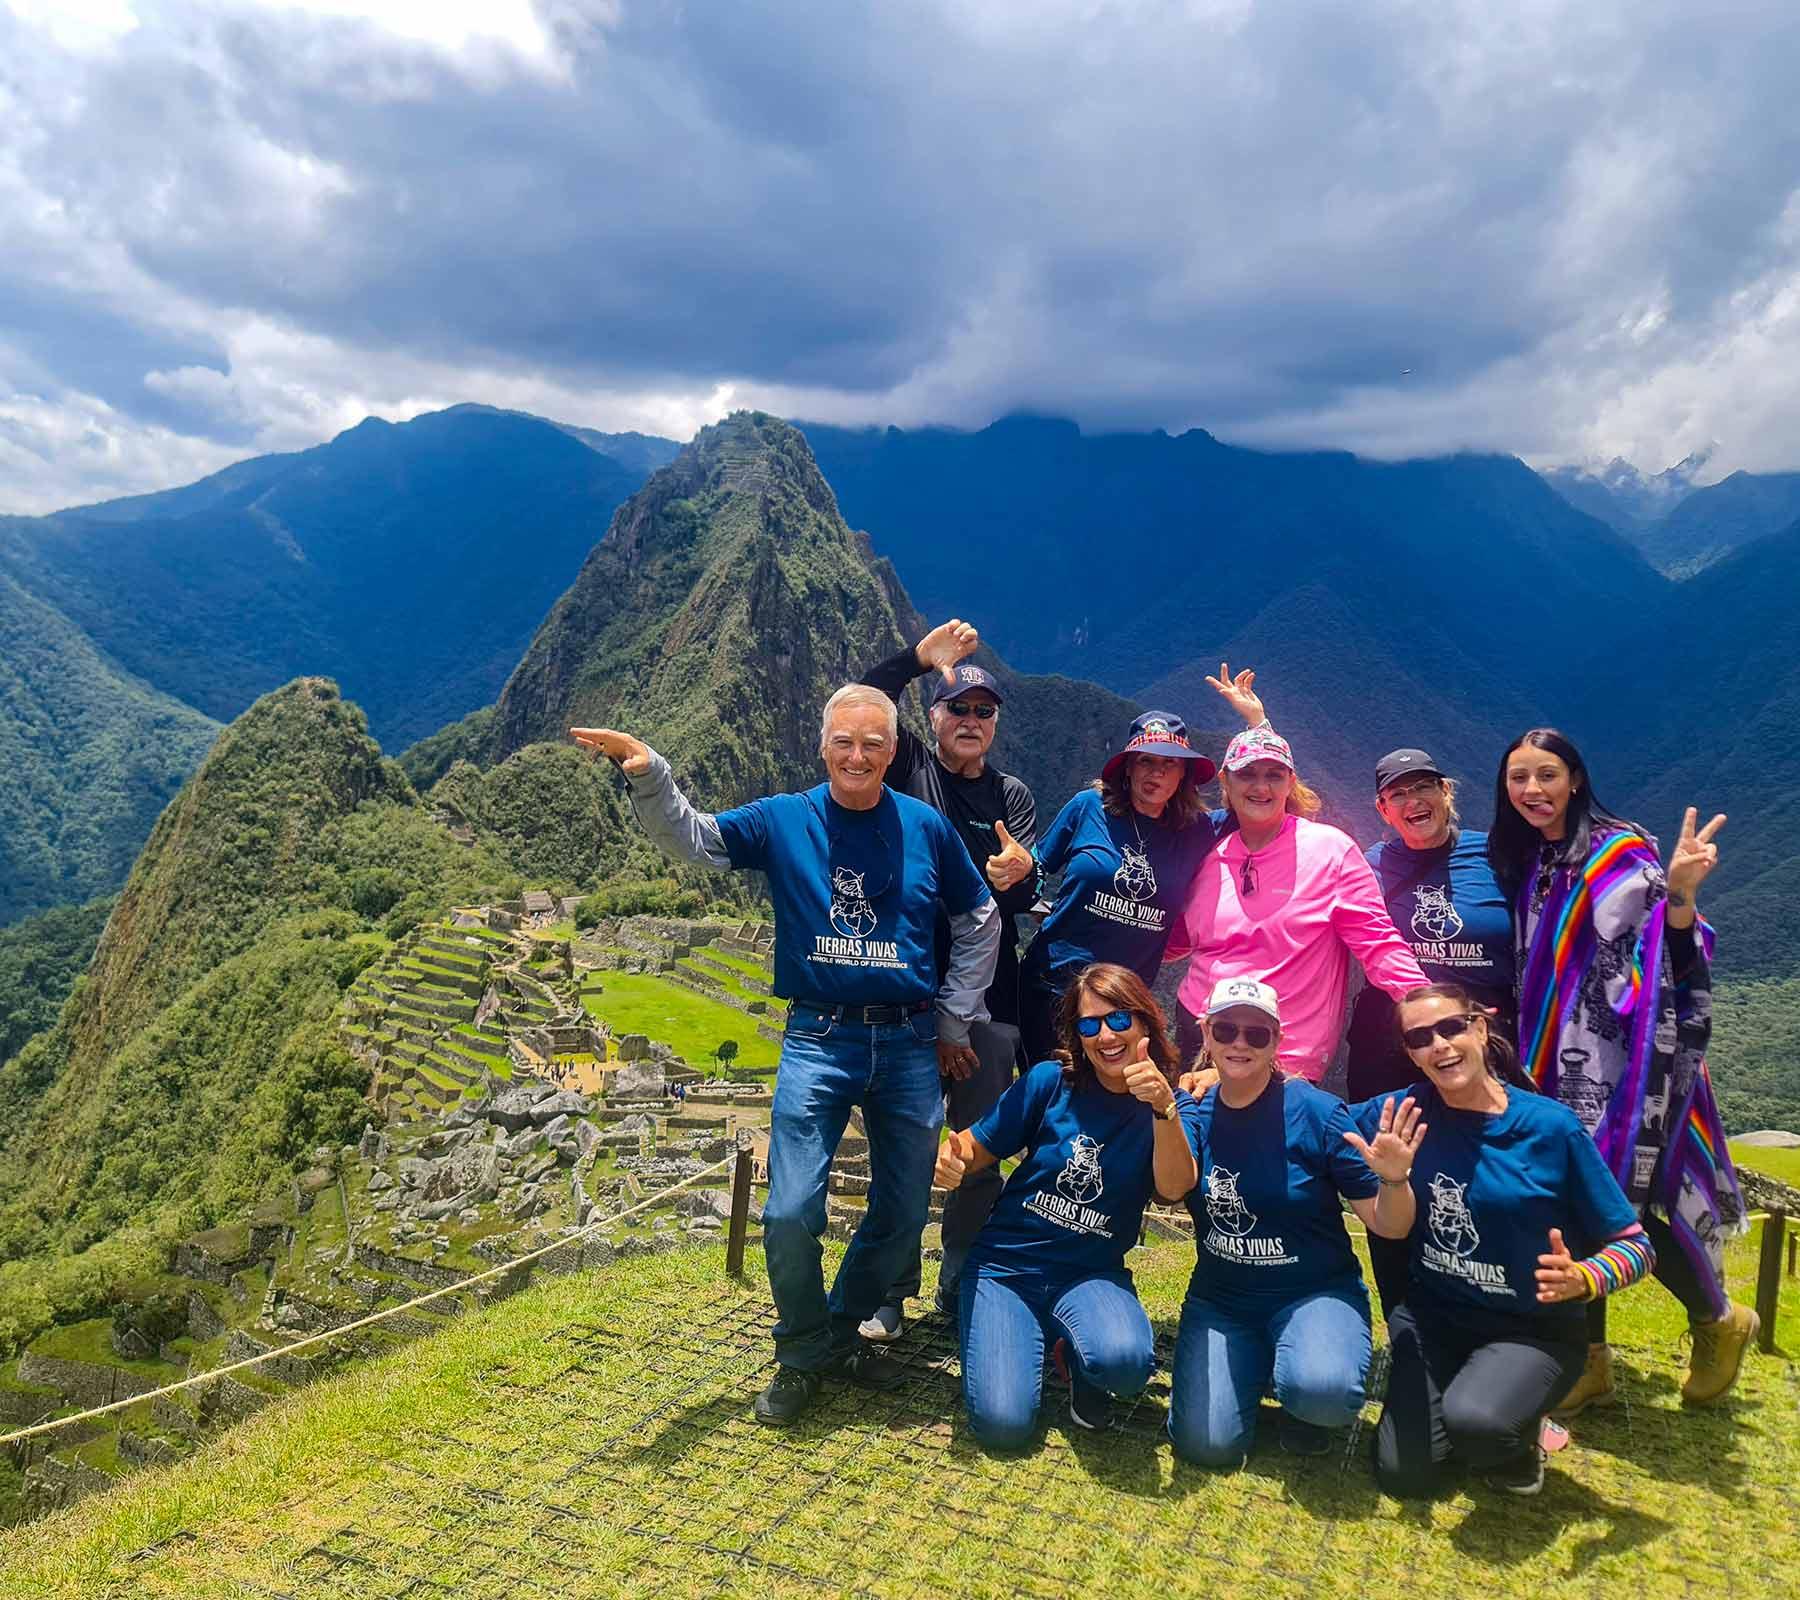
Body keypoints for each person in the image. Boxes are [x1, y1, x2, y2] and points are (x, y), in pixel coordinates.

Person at [570, 686, 1000, 1426]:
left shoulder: (925, 827)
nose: (857, 756)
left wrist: (955, 1018)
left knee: (900, 1214)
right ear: (823, 745)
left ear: (893, 752)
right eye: (844, 742)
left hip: (905, 1040)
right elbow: (697, 841)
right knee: (791, 1211)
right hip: (819, 1038)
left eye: (873, 743)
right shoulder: (783, 819)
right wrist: (650, 775)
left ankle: (831, 1335)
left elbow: (980, 917)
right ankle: (804, 1348)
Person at [1488, 728, 1752, 1414]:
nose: (1532, 790)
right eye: (1518, 778)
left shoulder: (1620, 851)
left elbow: (1664, 945)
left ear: (1575, 778)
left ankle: (1718, 1318)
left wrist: (1684, 894)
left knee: (1630, 1202)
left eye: (1546, 775)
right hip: (1549, 1060)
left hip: (1628, 1070)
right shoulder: (1536, 857)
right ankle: (1590, 1358)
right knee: (1565, 1200)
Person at [1362, 984, 1658, 1497]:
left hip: (1530, 1330)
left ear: (1479, 1028)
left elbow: (1637, 1247)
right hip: (1435, 1322)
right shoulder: (1405, 1113)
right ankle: (1473, 1404)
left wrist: (1587, 1277)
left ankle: (1518, 1435)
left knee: (1479, 1425)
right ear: (1410, 1054)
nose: (1439, 1045)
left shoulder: (1550, 1128)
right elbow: (1320, 1119)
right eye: (1420, 1037)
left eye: (1451, 1027)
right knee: (1403, 1475)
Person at [853, 619, 1039, 1338]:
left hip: (986, 1009)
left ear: (994, 724)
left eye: (982, 712)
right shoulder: (907, 772)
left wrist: (1021, 877)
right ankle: (888, 1291)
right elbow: (865, 702)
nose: (969, 721)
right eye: (956, 708)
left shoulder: (1012, 798)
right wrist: (916, 660)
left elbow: (1020, 902)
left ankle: (960, 1283)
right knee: (900, 1150)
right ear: (932, 719)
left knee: (978, 1153)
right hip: (903, 1000)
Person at [937, 963, 1200, 1449]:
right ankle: (1015, 1332)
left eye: (1118, 1019)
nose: (1105, 1035)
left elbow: (1175, 1187)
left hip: (1089, 1271)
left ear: (1145, 1022)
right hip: (1006, 1266)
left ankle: (1074, 1357)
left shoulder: (1170, 1105)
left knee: (1124, 1366)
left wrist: (1163, 1109)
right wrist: (953, 1158)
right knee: (1003, 1427)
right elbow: (978, 1144)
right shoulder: (1049, 1082)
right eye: (1089, 1025)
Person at [1169, 977, 1422, 1468]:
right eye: (1226, 1030)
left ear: (1278, 1041)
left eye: (1257, 1034)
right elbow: (1173, 1186)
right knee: (1206, 1446)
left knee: (1322, 1392)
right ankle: (1260, 1362)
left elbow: (1389, 1227)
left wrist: (1394, 1182)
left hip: (1312, 1292)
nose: (1240, 1043)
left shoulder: (1319, 1113)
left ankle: (1305, 1388)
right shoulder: (1194, 1108)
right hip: (1223, 1300)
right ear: (1205, 1033)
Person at [1343, 747, 1517, 1319]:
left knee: (1488, 1172)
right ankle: (1404, 1319)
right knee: (1389, 1169)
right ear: (1382, 808)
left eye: (1424, 788)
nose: (1413, 801)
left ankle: (1494, 1309)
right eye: (1398, 794)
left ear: (1447, 792)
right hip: (1387, 1042)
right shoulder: (1370, 864)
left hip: (1481, 1040)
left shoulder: (1497, 857)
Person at [1019, 668, 1268, 1065]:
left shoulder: (1197, 831)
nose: (1156, 773)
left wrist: (1258, 723)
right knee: (1049, 1099)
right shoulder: (1089, 808)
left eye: (1169, 764)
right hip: (1053, 988)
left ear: (1184, 775)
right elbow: (1034, 871)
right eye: (1147, 761)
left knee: (1107, 1110)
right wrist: (1023, 888)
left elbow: (1266, 797)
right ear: (1129, 767)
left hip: (1124, 1007)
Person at [1167, 727, 1427, 1083]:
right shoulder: (1210, 858)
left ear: (1290, 782)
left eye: (1274, 775)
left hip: (1284, 1059)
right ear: (1226, 782)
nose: (1261, 787)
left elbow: (1378, 944)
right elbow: (1175, 941)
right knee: (1185, 1139)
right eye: (1247, 774)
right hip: (1199, 1036)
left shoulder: (1330, 852)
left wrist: (1428, 1004)